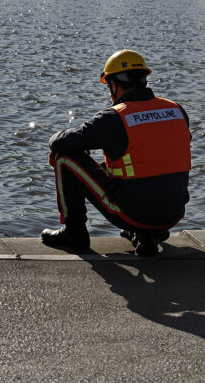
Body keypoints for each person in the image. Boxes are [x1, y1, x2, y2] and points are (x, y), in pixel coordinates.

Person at [42, 49, 191, 257]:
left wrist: (67, 147)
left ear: (113, 85)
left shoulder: (115, 117)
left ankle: (74, 232)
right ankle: (149, 234)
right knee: (131, 168)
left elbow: (58, 141)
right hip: (173, 213)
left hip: (133, 213)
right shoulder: (176, 110)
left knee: (65, 159)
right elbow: (152, 158)